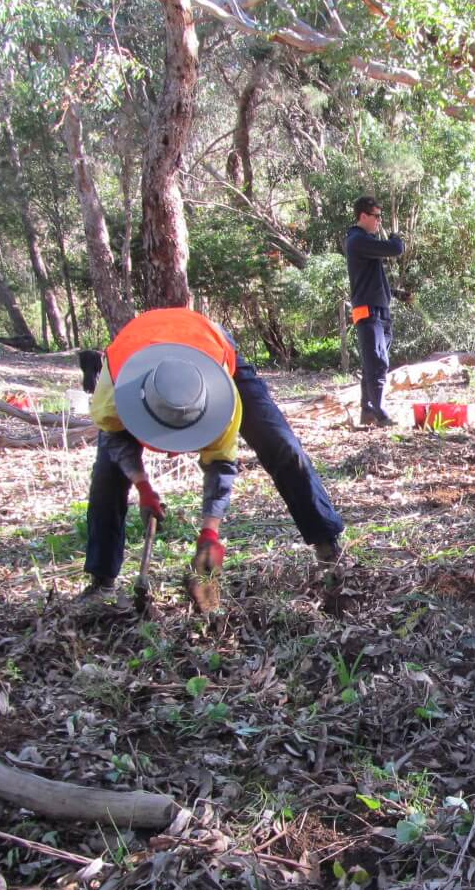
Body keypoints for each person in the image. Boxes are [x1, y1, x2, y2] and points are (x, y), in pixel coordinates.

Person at [83, 306, 346, 603]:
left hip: (212, 345)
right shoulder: (113, 393)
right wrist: (142, 486)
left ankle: (328, 547)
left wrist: (210, 536)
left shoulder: (225, 400)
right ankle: (101, 580)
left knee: (280, 444)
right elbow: (116, 440)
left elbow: (220, 465)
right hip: (140, 346)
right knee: (107, 473)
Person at [343, 195, 407, 428]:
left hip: (380, 309)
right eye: (376, 216)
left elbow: (374, 280)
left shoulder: (365, 242)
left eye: (381, 216)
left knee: (375, 362)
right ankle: (380, 413)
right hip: (367, 311)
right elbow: (395, 248)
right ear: (363, 216)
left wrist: (398, 294)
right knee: (377, 362)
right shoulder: (357, 240)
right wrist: (396, 237)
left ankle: (367, 411)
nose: (379, 221)